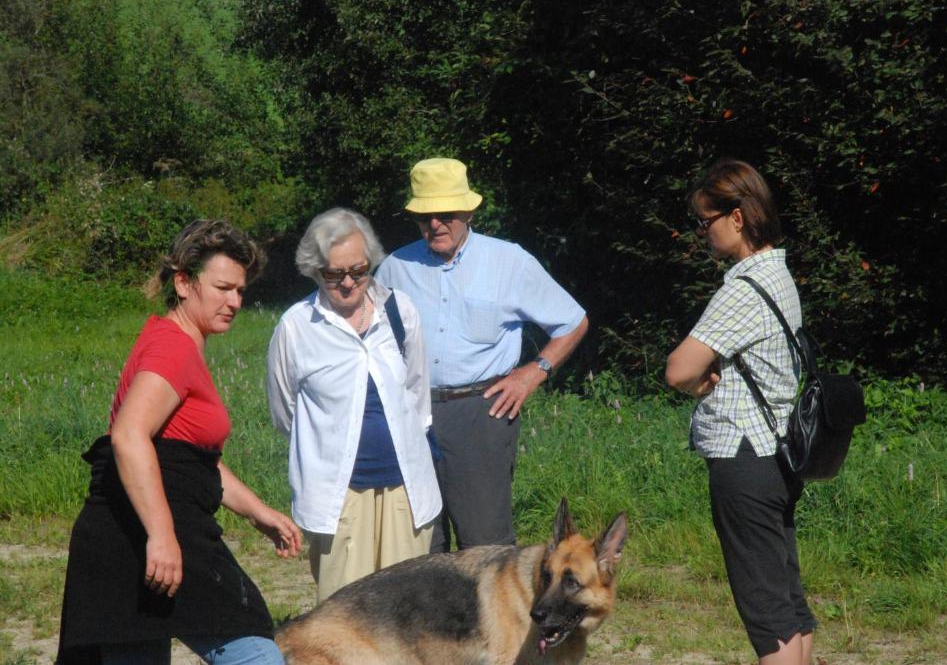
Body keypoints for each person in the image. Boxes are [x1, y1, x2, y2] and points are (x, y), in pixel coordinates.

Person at [57, 220, 302, 665]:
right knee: (255, 654)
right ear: (184, 282)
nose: (235, 302)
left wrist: (257, 511)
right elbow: (128, 436)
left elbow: (188, 460)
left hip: (144, 532)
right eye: (223, 287)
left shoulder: (176, 341)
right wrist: (162, 536)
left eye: (241, 291)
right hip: (145, 539)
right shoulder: (173, 348)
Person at [375, 157, 589, 552]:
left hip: (482, 411)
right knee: (419, 541)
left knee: (485, 545)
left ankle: (493, 614)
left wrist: (534, 372)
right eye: (424, 216)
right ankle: (432, 616)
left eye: (445, 214)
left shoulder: (509, 262)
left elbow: (573, 321)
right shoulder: (394, 268)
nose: (435, 224)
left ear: (468, 211)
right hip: (410, 413)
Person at [665, 159, 816, 665]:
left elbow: (679, 368)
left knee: (766, 611)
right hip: (777, 454)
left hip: (742, 459)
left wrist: (698, 384)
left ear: (736, 217)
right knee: (787, 600)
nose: (702, 233)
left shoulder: (742, 289)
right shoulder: (780, 276)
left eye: (705, 221)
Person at [266, 208, 441, 602]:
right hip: (339, 496)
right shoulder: (296, 326)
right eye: (334, 274)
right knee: (344, 615)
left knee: (404, 611)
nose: (348, 283)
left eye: (359, 271)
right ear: (315, 270)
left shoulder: (400, 311)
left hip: (405, 491)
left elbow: (417, 394)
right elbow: (285, 412)